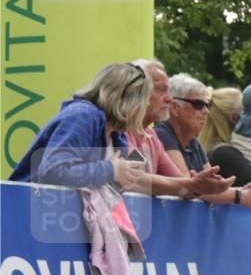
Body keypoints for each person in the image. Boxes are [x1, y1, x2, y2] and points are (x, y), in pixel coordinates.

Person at [10, 62, 150, 190]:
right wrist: (111, 170)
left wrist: (123, 178)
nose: (144, 109)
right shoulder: (82, 117)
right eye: (143, 103)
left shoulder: (118, 136)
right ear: (129, 101)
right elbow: (53, 172)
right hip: (27, 210)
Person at [155, 73, 251, 210]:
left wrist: (242, 190)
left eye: (207, 105)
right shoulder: (162, 135)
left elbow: (210, 187)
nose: (206, 112)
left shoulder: (194, 143)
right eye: (198, 104)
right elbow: (187, 188)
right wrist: (240, 195)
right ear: (174, 108)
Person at [127, 59, 235, 199]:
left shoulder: (151, 136)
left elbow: (183, 186)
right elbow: (133, 178)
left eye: (207, 105)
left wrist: (199, 186)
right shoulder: (122, 130)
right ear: (138, 91)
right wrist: (194, 185)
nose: (169, 99)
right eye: (161, 90)